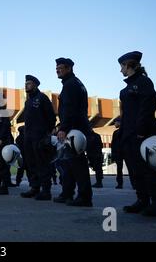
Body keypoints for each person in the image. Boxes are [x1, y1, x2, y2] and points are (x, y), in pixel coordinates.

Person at [118, 51, 156, 217]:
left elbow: (148, 106)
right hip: (129, 136)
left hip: (143, 134)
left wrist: (140, 130)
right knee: (135, 170)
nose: (120, 70)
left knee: (149, 170)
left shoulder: (144, 82)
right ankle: (142, 200)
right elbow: (126, 114)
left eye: (122, 66)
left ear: (129, 65)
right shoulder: (125, 90)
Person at [53, 58, 93, 207]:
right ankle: (67, 193)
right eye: (56, 68)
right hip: (75, 128)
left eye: (61, 68)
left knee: (77, 164)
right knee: (68, 163)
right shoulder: (74, 83)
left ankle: (84, 197)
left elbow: (70, 109)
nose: (57, 70)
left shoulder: (70, 85)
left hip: (74, 130)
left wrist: (63, 128)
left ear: (69, 68)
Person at [20, 75, 56, 201]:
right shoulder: (28, 101)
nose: (26, 85)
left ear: (35, 85)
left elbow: (51, 117)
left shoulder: (42, 98)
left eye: (29, 83)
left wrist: (46, 133)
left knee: (42, 163)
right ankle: (34, 187)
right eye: (25, 83)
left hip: (39, 137)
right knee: (31, 164)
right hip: (29, 137)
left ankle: (46, 190)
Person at [111, 117, 124, 189]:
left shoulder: (116, 132)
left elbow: (113, 145)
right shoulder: (117, 132)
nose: (114, 124)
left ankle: (120, 184)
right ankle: (135, 184)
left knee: (119, 169)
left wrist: (113, 154)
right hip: (122, 152)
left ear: (119, 122)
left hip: (119, 153)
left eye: (115, 122)